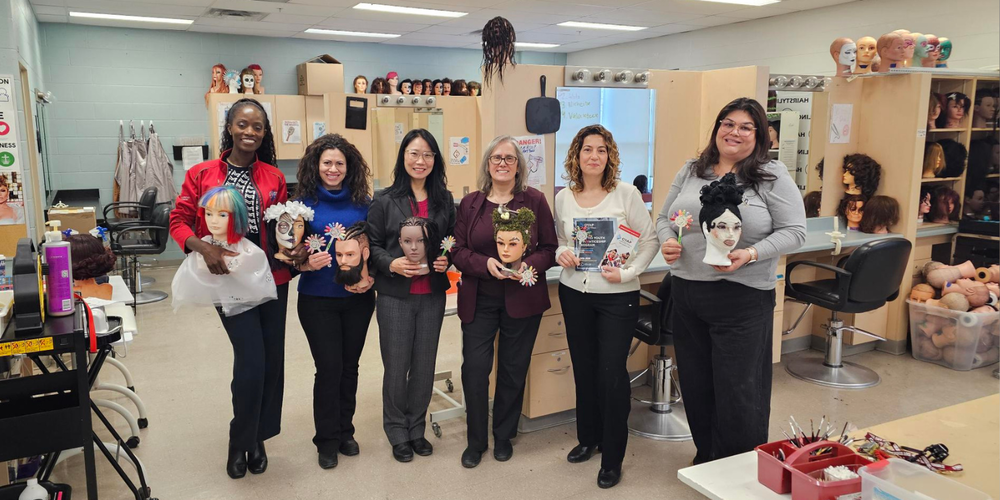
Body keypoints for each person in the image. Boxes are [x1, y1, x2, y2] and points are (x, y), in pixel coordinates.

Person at [656, 97, 805, 464]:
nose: (734, 132)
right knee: (697, 385)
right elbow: (663, 218)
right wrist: (668, 242)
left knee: (739, 391)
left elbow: (796, 232)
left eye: (745, 126)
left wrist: (750, 254)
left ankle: (739, 468)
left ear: (760, 135)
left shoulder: (771, 175)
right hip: (688, 293)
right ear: (717, 128)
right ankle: (708, 458)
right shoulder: (693, 169)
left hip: (742, 298)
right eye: (727, 123)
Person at [169, 97, 290, 480]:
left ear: (264, 132)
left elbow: (283, 226)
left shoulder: (274, 176)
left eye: (257, 127)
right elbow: (179, 220)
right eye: (242, 124)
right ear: (230, 127)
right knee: (252, 362)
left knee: (272, 364)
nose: (249, 132)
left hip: (272, 279)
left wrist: (295, 246)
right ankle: (240, 440)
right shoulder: (203, 173)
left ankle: (259, 437)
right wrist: (203, 247)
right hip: (228, 280)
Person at [553, 124, 658, 489]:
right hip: (575, 292)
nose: (593, 156)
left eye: (601, 150)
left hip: (617, 296)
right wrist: (560, 253)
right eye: (587, 149)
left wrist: (629, 271)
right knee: (584, 369)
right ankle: (589, 439)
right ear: (576, 156)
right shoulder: (564, 196)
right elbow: (561, 239)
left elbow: (650, 241)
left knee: (611, 375)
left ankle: (612, 457)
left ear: (609, 156)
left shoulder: (626, 194)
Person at [452, 136, 557, 468]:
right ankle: (476, 440)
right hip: (479, 297)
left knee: (513, 370)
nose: (502, 163)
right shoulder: (470, 204)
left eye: (509, 159)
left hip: (522, 299)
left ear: (518, 166)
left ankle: (503, 436)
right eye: (496, 158)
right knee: (475, 369)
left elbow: (550, 249)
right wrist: (485, 265)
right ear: (487, 164)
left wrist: (529, 265)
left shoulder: (535, 201)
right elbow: (456, 250)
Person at [367, 128, 456, 463]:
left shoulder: (444, 200)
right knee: (397, 364)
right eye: (414, 154)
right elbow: (373, 246)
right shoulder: (384, 199)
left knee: (423, 365)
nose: (421, 161)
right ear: (403, 157)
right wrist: (392, 264)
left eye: (428, 155)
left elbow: (451, 240)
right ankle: (396, 430)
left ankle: (416, 428)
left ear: (436, 160)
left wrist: (448, 257)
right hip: (395, 297)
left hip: (431, 295)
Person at [292, 134, 375, 470]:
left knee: (349, 367)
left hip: (358, 299)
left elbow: (375, 249)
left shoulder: (364, 203)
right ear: (316, 164)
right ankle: (326, 439)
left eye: (340, 163)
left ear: (349, 166)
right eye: (327, 162)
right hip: (317, 300)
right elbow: (287, 254)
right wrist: (303, 263)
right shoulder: (300, 205)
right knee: (329, 369)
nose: (333, 168)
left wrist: (372, 279)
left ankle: (345, 432)